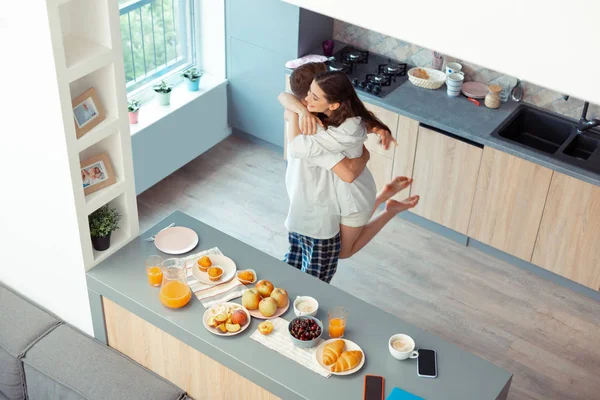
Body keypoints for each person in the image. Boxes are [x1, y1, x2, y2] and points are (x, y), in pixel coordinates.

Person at [282, 68, 419, 271]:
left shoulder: (335, 131)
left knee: (344, 252)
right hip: (345, 194)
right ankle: (383, 198)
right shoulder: (329, 117)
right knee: (343, 248)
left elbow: (347, 173)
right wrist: (299, 110)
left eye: (315, 96)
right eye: (308, 94)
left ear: (333, 103)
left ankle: (389, 208)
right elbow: (284, 97)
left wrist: (296, 112)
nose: (308, 101)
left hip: (354, 195)